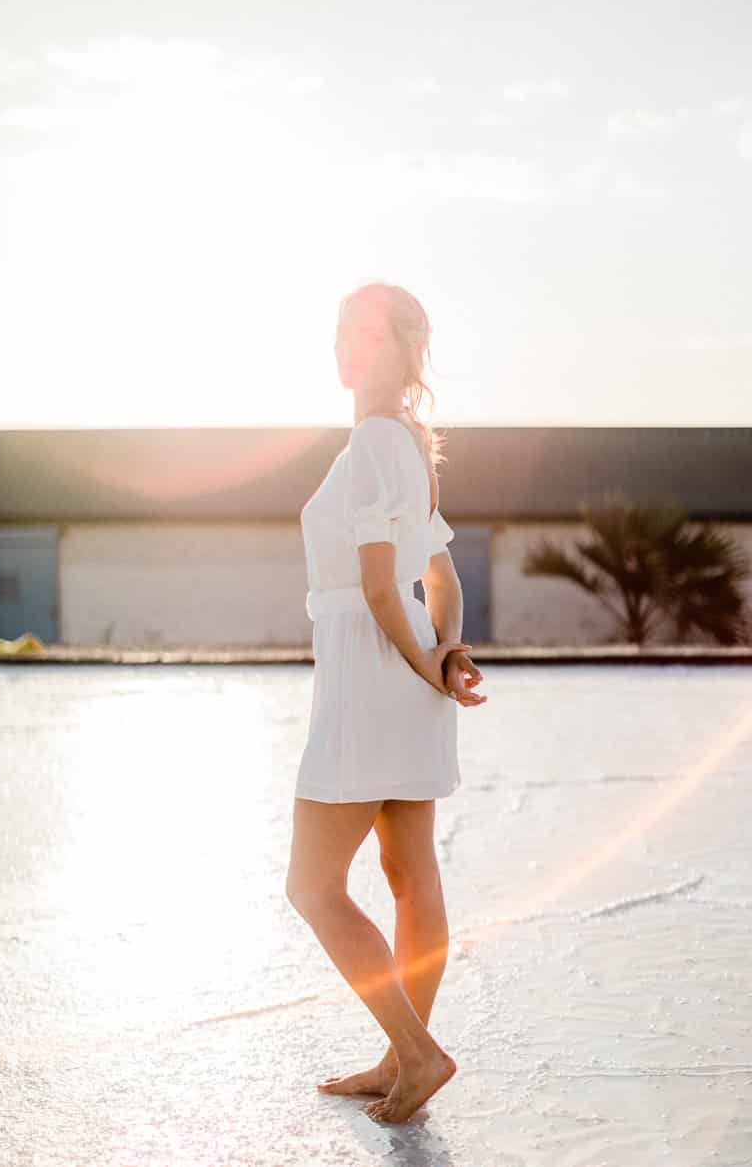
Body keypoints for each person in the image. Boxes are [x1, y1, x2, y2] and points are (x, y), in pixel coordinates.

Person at [286, 282, 487, 1124]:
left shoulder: (375, 439)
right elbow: (438, 577)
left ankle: (415, 1053)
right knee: (411, 875)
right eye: (339, 331)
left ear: (403, 349)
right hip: (408, 669)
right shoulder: (410, 442)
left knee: (313, 885)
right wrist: (443, 653)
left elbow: (377, 589)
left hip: (374, 673)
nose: (345, 346)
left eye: (364, 334)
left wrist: (419, 664)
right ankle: (403, 1056)